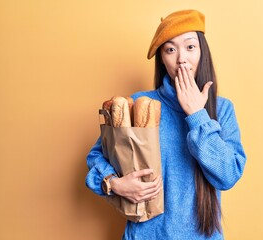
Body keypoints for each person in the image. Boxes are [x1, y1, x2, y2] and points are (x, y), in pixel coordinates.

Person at [85, 9, 246, 239]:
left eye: (190, 47)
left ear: (203, 52)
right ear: (162, 58)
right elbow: (95, 157)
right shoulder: (142, 104)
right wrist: (115, 184)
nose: (181, 58)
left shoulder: (222, 109)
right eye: (170, 49)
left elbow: (228, 175)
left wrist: (197, 114)